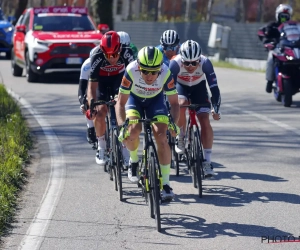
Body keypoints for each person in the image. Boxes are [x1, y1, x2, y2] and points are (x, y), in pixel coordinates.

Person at [115, 46, 180, 200]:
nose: (150, 76)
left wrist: (174, 123)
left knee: (162, 137)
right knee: (132, 131)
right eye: (145, 71)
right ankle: (134, 160)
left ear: (160, 68)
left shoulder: (165, 72)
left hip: (155, 101)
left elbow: (175, 104)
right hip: (134, 100)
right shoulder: (131, 70)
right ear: (139, 67)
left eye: (154, 72)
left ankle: (165, 183)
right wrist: (121, 125)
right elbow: (120, 103)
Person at [169, 40, 221, 178]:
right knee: (181, 103)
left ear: (200, 59)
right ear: (182, 59)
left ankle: (208, 162)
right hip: (181, 86)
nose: (191, 66)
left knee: (205, 120)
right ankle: (181, 136)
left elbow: (214, 88)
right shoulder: (175, 63)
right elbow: (168, 89)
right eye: (187, 63)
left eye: (194, 63)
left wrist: (216, 108)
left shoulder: (206, 63)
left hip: (199, 87)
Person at [87, 31, 134, 166]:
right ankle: (101, 147)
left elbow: (134, 78)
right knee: (100, 112)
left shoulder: (127, 53)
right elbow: (91, 87)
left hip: (118, 79)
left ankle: (125, 151)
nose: (112, 58)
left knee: (122, 112)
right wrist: (91, 104)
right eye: (108, 55)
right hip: (101, 81)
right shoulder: (96, 55)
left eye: (114, 54)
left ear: (120, 48)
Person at [260, 4, 293, 93]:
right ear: (277, 15)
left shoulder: (292, 27)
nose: (284, 19)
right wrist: (267, 42)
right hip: (276, 48)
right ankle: (269, 81)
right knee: (271, 60)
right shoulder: (272, 25)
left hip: (289, 49)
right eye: (282, 16)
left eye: (286, 17)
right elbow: (265, 35)